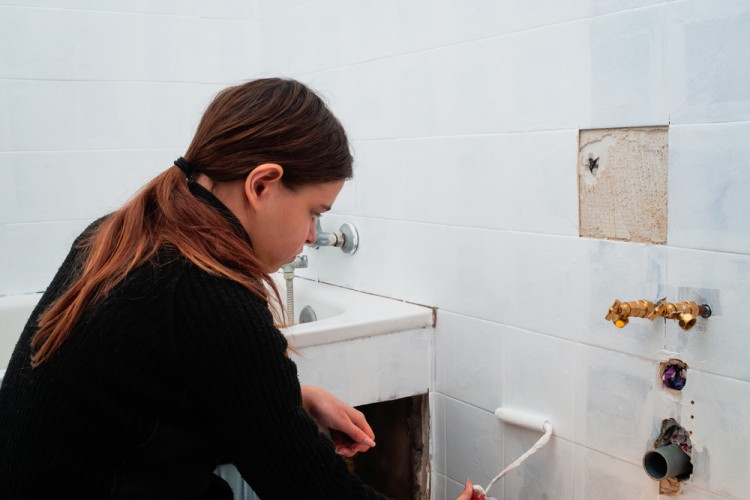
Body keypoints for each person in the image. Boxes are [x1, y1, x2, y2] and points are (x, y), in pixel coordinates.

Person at [0, 78, 387, 499]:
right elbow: (313, 491)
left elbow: (144, 408)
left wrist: (300, 399)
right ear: (261, 185)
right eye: (314, 212)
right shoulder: (207, 292)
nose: (313, 235)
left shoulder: (119, 236)